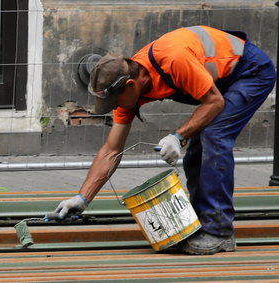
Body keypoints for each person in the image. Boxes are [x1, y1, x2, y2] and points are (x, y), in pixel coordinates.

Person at [54, 25, 276, 255]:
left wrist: (178, 136)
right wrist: (82, 198)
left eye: (116, 102)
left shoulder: (173, 59)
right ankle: (204, 223)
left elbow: (215, 102)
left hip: (250, 72)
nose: (116, 108)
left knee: (214, 135)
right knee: (196, 152)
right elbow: (112, 149)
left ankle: (219, 233)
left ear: (130, 85)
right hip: (217, 82)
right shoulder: (129, 87)